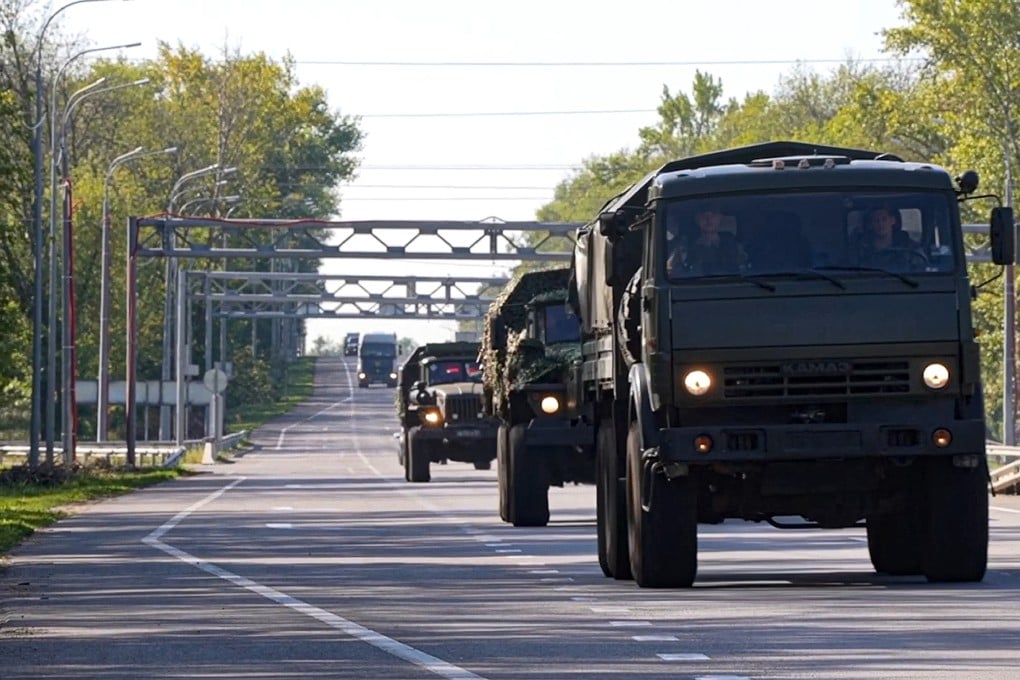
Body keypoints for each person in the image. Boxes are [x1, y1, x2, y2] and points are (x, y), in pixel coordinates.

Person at [668, 203, 746, 276]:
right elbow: (671, 271)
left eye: (713, 213)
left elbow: (743, 269)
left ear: (720, 217)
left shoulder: (732, 244)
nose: (708, 219)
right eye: (703, 215)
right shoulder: (685, 245)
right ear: (696, 218)